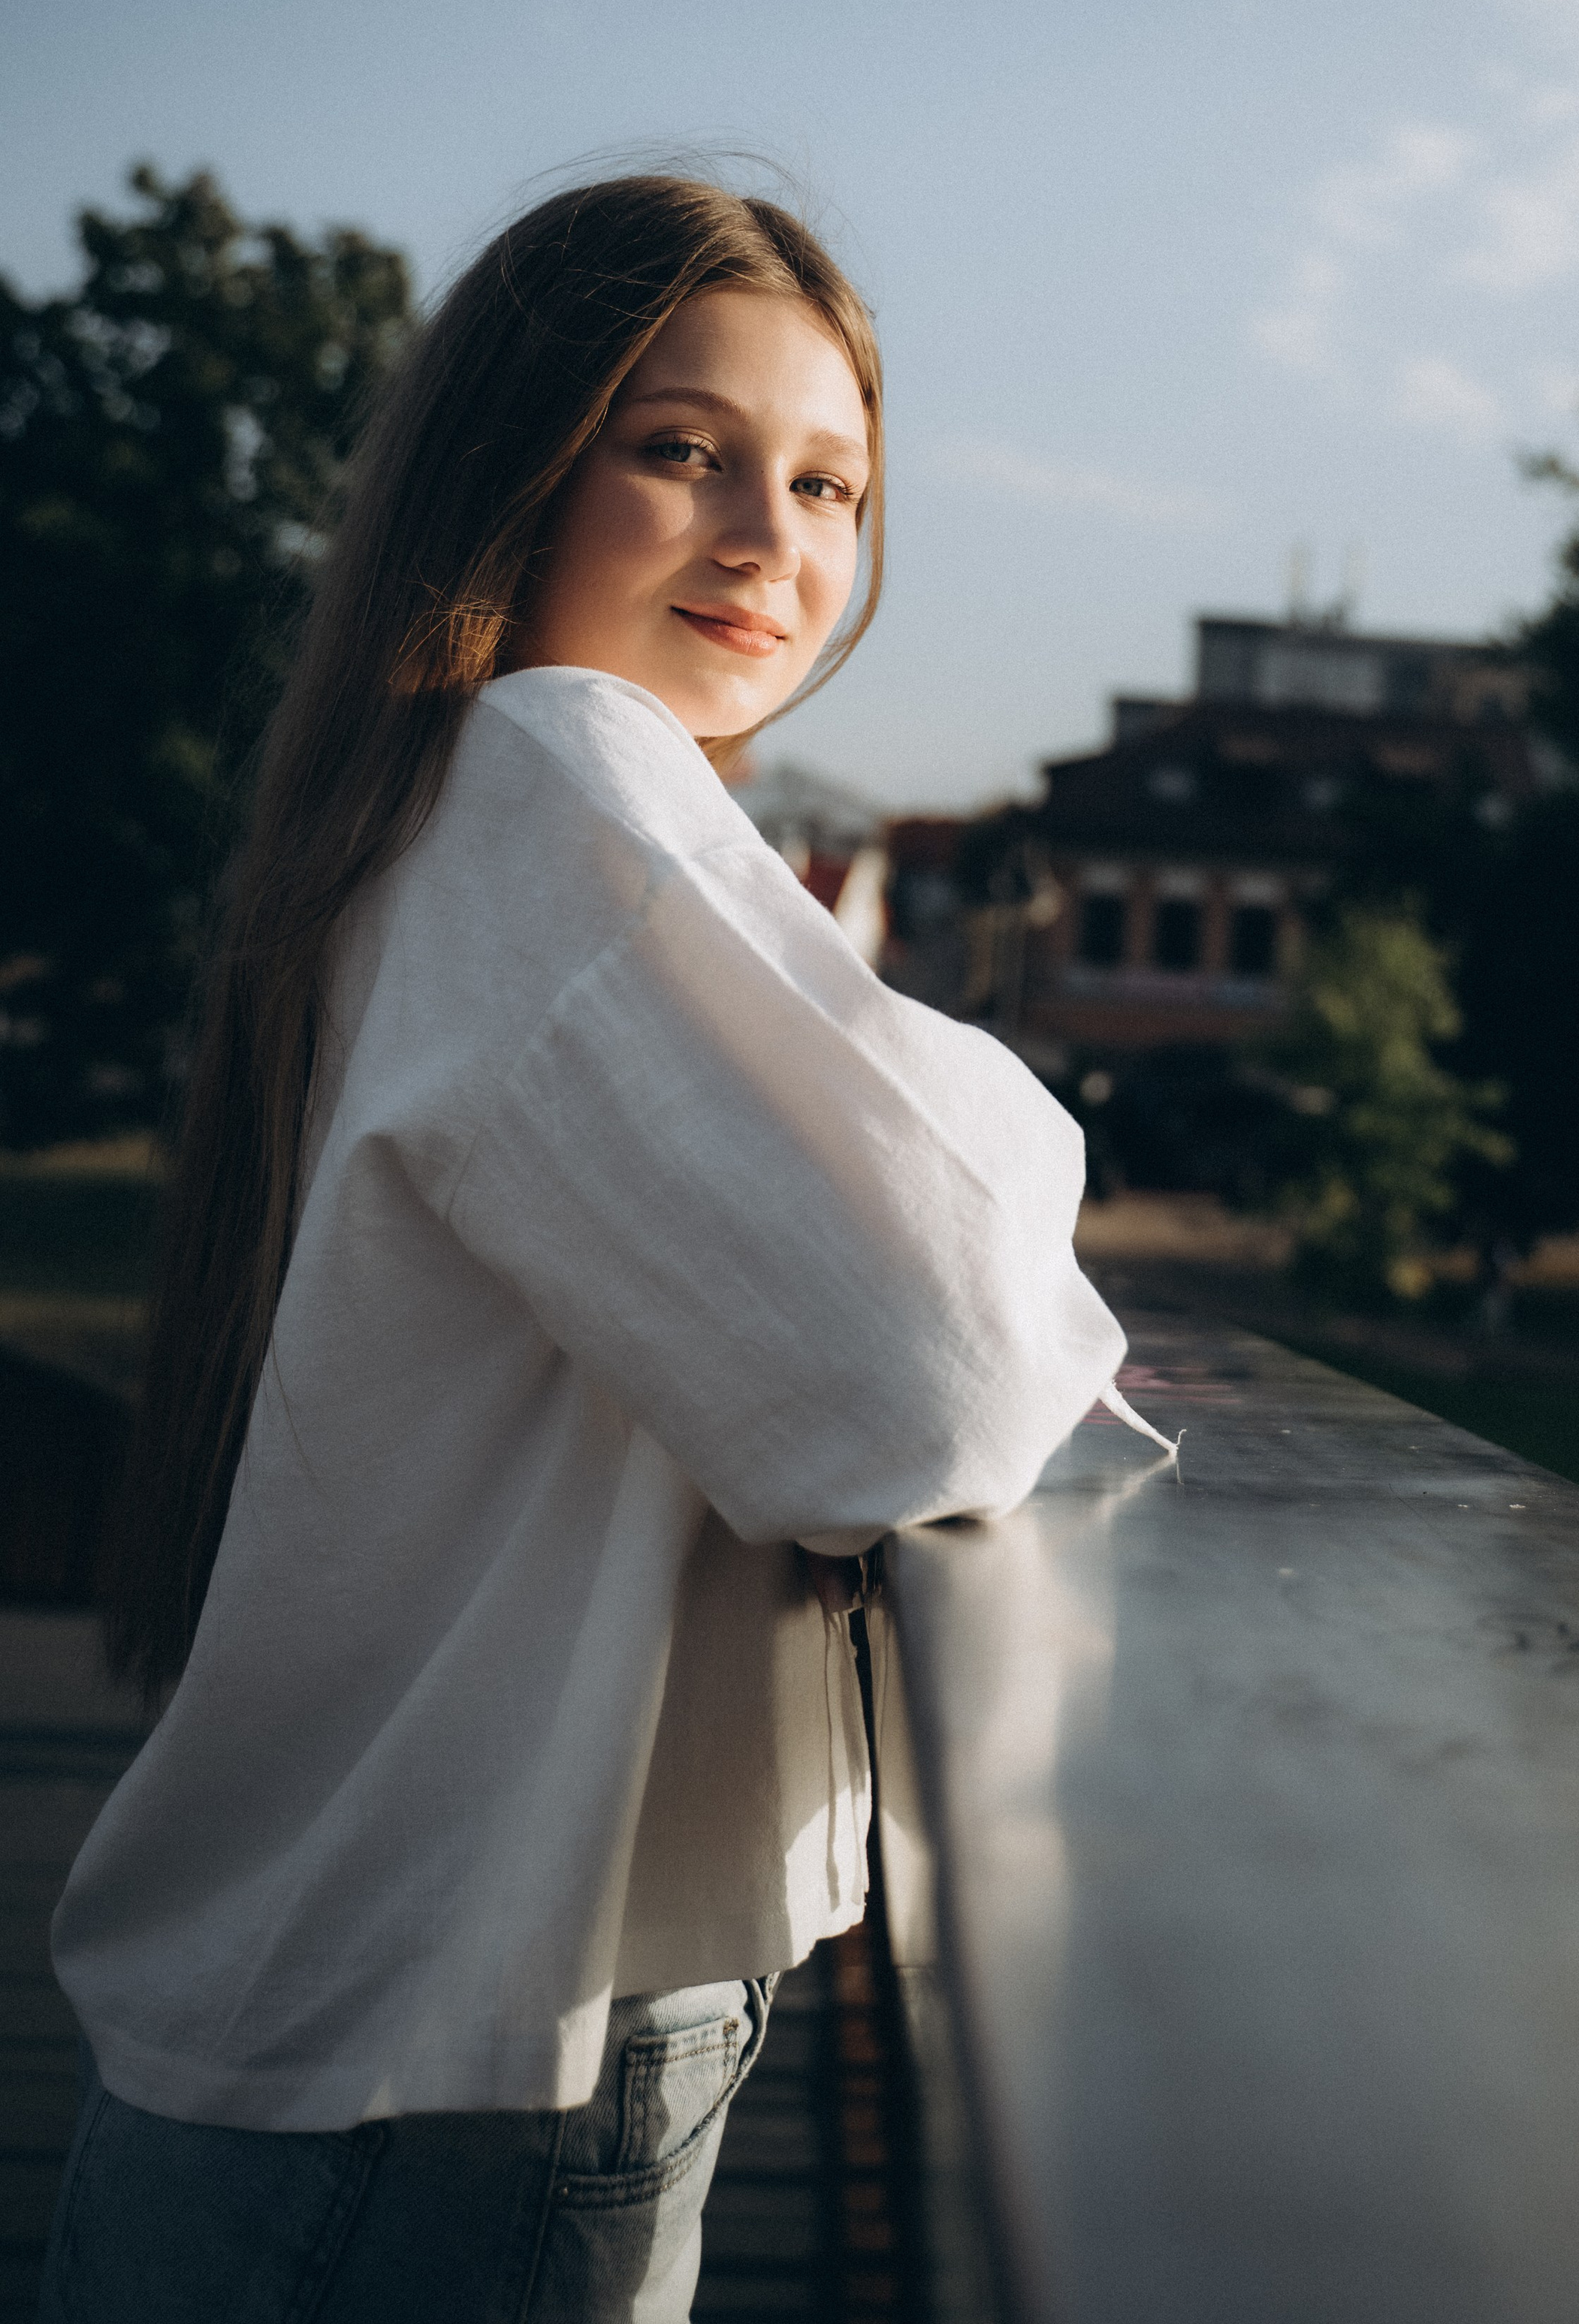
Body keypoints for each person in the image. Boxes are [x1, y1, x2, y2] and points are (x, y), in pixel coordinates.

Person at [38, 175, 1125, 2323]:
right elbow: (929, 1378)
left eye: (829, 482)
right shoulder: (552, 781)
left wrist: (893, 1080)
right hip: (457, 2077)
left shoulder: (432, 814)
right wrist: (983, 1107)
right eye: (681, 449)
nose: (770, 538)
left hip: (343, 2053)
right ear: (512, 465)